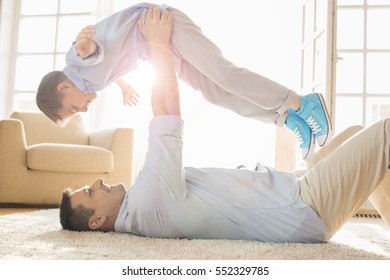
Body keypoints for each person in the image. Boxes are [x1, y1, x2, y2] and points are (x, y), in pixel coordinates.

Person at [59, 8, 390, 243]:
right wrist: (158, 45)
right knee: (386, 134)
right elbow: (166, 112)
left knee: (360, 136)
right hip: (304, 204)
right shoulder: (147, 204)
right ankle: (298, 106)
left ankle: (290, 116)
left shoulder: (142, 209)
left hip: (296, 190)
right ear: (97, 220)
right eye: (90, 191)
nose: (98, 181)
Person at [36, 2, 331, 160]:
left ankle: (302, 103)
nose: (82, 111)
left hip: (164, 25)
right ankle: (288, 119)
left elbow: (88, 53)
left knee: (224, 74)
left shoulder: (76, 62)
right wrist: (124, 86)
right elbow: (106, 67)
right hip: (157, 48)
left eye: (73, 109)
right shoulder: (89, 84)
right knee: (216, 94)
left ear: (64, 87)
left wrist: (83, 45)